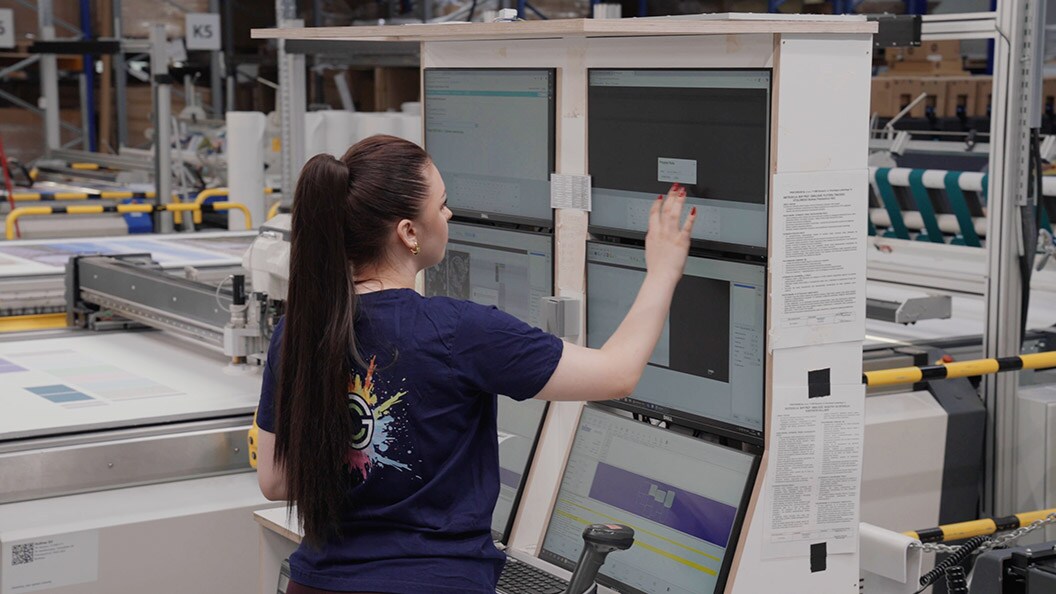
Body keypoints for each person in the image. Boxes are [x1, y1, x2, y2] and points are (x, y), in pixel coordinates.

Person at [255, 134, 696, 594]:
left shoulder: (297, 333)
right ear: (408, 233)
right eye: (441, 205)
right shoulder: (458, 332)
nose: (448, 216)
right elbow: (617, 374)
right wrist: (664, 271)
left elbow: (275, 480)